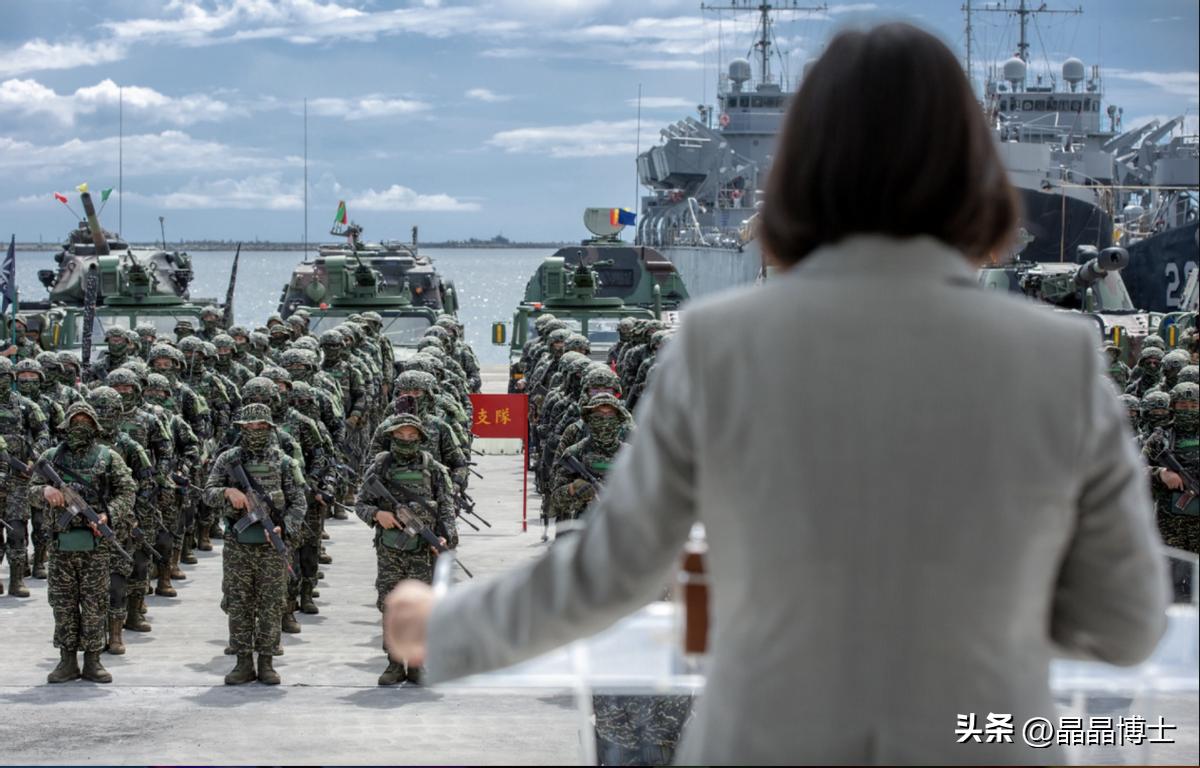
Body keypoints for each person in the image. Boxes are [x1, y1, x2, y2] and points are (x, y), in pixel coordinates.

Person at [382, 23, 1168, 764]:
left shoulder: (717, 344)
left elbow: (610, 574)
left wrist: (449, 627)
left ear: (802, 167)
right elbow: (1127, 623)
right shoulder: (1059, 357)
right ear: (976, 173)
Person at [30, 401, 137, 683]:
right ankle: (67, 660)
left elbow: (127, 491)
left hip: (95, 545)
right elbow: (29, 489)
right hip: (61, 545)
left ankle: (93, 660)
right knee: (63, 604)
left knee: (94, 604)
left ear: (94, 426)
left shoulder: (108, 457)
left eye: (86, 422)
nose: (80, 426)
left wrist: (107, 514)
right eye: (75, 421)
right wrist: (45, 490)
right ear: (66, 425)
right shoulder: (51, 457)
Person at [204, 403, 306, 685]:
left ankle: (267, 661)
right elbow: (207, 493)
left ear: (270, 429)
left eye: (260, 427)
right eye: (249, 428)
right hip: (238, 545)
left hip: (271, 546)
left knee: (271, 604)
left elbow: (299, 502)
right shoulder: (228, 460)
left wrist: (283, 526)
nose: (255, 432)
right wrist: (228, 491)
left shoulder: (286, 462)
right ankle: (242, 661)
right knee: (239, 603)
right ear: (241, 429)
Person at [354, 414, 456, 686]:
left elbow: (446, 508)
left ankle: (418, 664)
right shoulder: (379, 467)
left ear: (421, 438)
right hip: (390, 550)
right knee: (391, 606)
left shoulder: (432, 468)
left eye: (412, 436)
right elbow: (360, 503)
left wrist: (446, 539)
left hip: (422, 550)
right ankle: (394, 663)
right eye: (400, 436)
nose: (406, 440)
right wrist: (377, 514)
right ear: (391, 437)